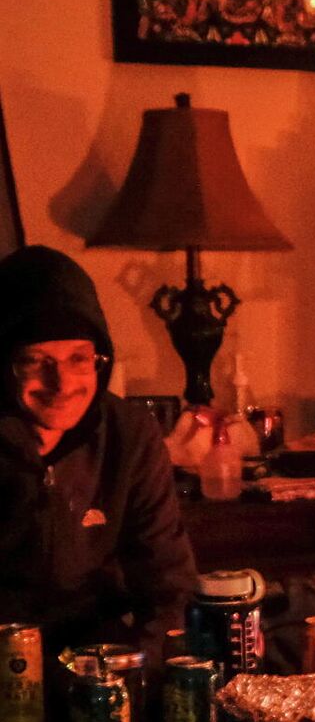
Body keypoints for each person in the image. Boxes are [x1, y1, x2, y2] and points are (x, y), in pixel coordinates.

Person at [0, 244, 196, 659]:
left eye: (79, 358)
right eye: (36, 361)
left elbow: (167, 582)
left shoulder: (129, 434)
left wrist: (139, 671)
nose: (62, 383)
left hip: (100, 659)